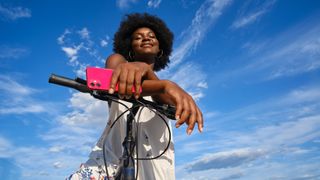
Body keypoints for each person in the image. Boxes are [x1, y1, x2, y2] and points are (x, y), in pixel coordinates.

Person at [67, 13, 203, 180]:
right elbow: (114, 84)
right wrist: (165, 85)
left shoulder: (163, 88)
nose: (146, 39)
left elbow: (173, 105)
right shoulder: (117, 62)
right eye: (138, 37)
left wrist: (155, 78)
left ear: (160, 49)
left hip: (153, 169)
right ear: (130, 48)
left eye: (151, 36)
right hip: (108, 164)